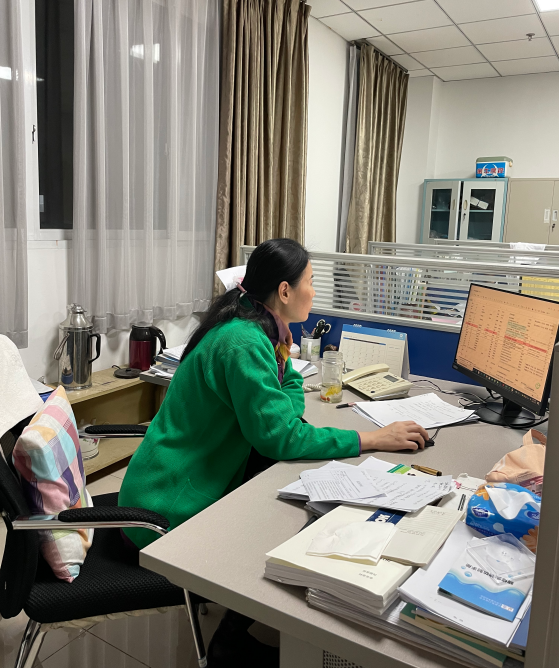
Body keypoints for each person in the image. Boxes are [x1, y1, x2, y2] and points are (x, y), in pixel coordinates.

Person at [118, 238, 428, 666]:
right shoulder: (245, 343)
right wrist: (371, 439)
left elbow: (285, 402)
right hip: (164, 509)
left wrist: (286, 375)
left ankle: (240, 627)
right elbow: (280, 436)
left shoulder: (254, 328)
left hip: (177, 481)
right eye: (311, 282)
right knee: (288, 520)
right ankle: (229, 644)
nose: (314, 292)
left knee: (290, 490)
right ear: (284, 291)